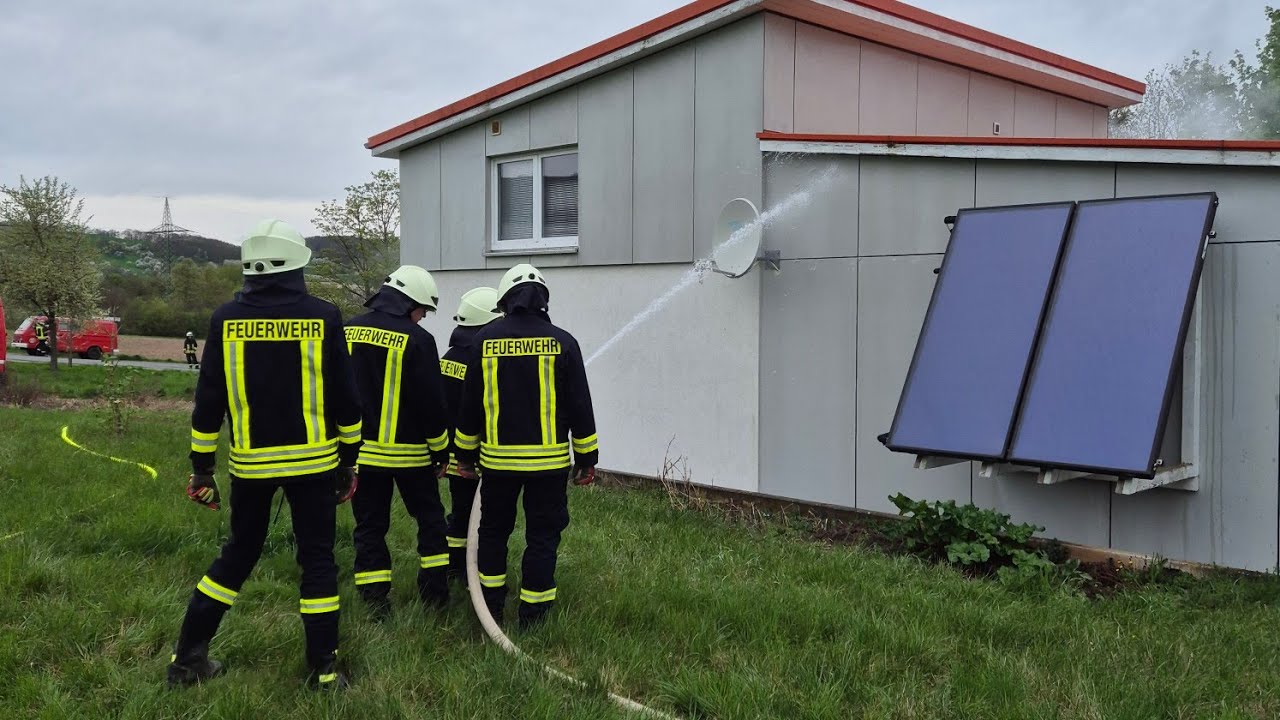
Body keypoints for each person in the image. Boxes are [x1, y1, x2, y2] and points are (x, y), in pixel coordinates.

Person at [168, 219, 363, 690]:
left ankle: (188, 660)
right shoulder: (323, 316)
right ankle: (324, 672)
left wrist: (202, 469)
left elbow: (208, 401)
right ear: (299, 264)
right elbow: (346, 399)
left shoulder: (224, 319)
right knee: (317, 561)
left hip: (250, 466)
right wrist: (349, 460)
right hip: (314, 465)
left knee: (237, 555)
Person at [455, 264, 598, 628]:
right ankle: (534, 616)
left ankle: (489, 609)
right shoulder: (564, 343)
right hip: (548, 467)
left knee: (493, 534)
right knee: (542, 537)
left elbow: (470, 406)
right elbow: (580, 406)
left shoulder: (482, 341)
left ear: (504, 301)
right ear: (543, 301)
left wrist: (466, 457)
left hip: (498, 465)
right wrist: (586, 460)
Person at [345, 266, 452, 618]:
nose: (422, 318)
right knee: (432, 522)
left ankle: (375, 603)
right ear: (410, 303)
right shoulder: (418, 340)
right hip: (411, 457)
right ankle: (435, 596)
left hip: (361, 456)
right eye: (423, 310)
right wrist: (440, 451)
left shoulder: (347, 331)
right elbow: (431, 403)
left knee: (370, 527)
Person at [439, 287, 502, 580]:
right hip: (472, 455)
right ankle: (471, 570)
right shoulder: (478, 360)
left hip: (449, 453)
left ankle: (454, 565)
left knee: (460, 513)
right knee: (481, 516)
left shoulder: (449, 356)